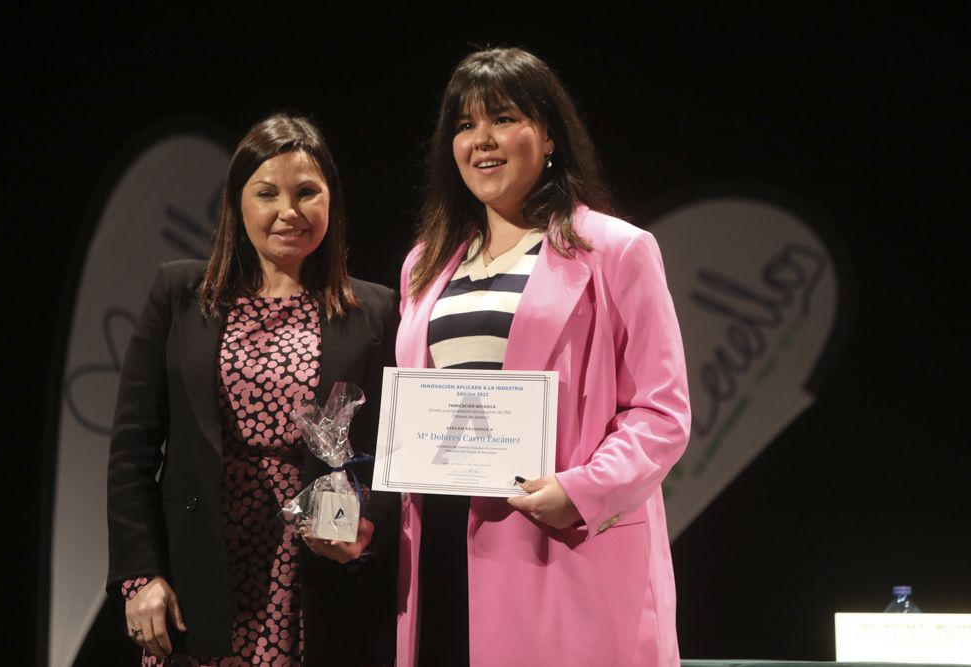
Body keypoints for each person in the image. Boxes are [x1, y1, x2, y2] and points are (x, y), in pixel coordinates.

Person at [395, 47, 692, 666]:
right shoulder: (425, 264)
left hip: (562, 547)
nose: (482, 141)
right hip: (443, 550)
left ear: (550, 134)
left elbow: (661, 413)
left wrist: (581, 490)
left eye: (503, 119)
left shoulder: (617, 250)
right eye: (465, 125)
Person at [107, 113, 398, 666]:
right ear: (237, 205)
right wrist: (140, 575)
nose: (289, 211)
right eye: (267, 193)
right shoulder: (179, 294)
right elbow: (131, 451)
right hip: (199, 570)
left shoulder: (374, 310)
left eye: (307, 192)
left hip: (315, 575)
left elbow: (394, 454)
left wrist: (366, 529)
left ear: (330, 202)